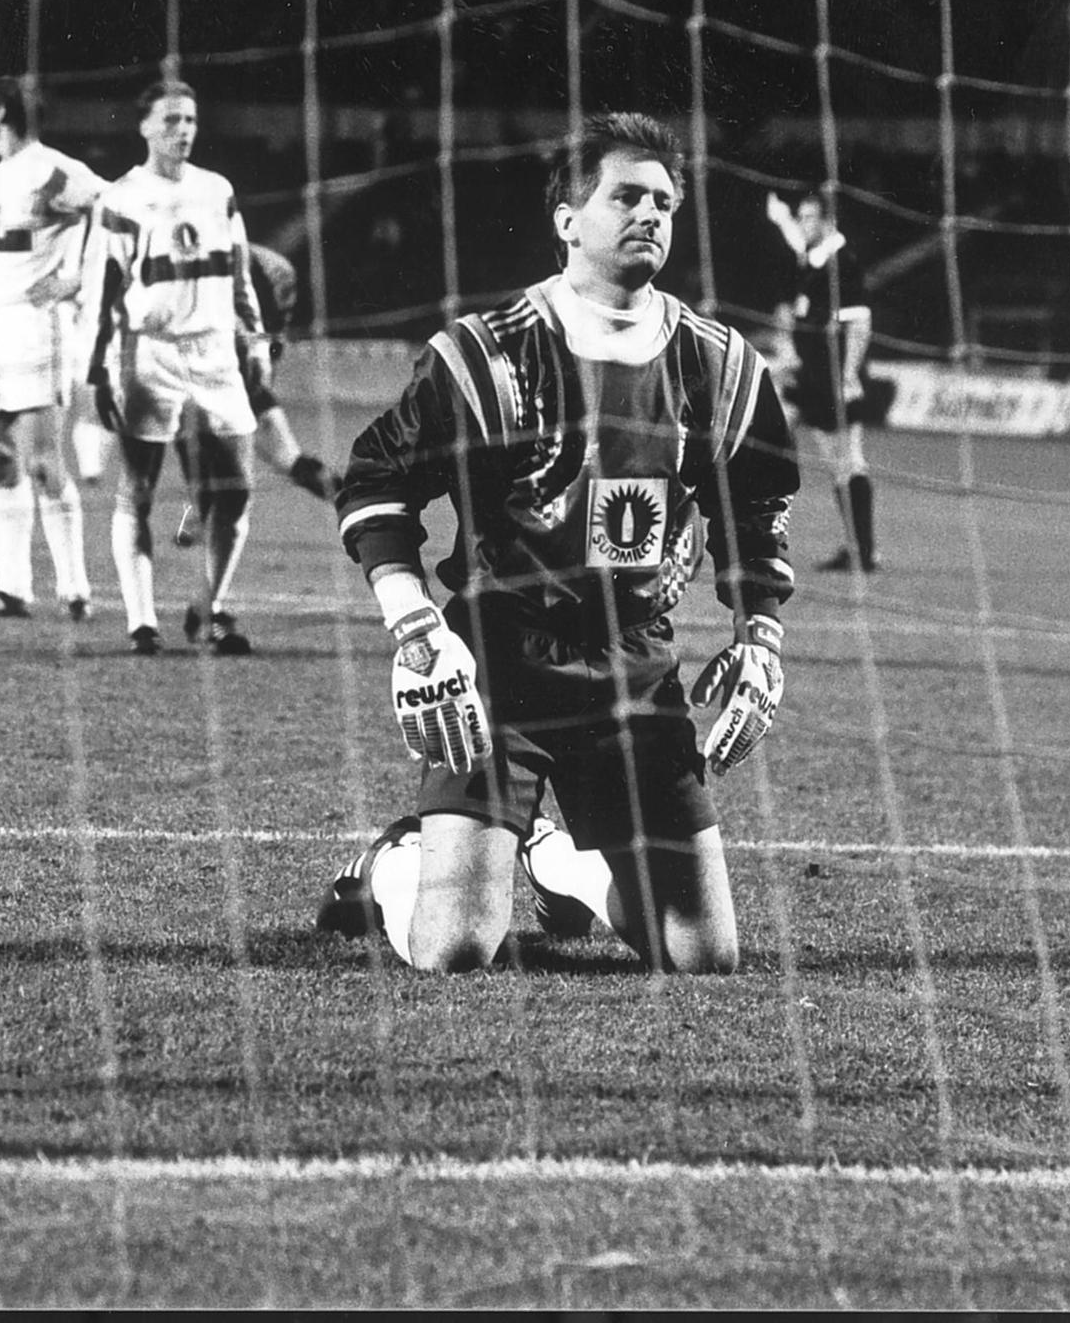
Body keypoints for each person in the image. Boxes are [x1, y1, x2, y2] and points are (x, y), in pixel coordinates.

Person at [317, 112, 799, 975]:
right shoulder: (484, 357)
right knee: (456, 950)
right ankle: (393, 864)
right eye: (625, 196)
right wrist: (416, 627)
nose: (648, 213)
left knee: (704, 955)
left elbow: (754, 506)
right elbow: (376, 483)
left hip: (634, 669)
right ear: (568, 219)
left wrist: (759, 636)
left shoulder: (721, 367)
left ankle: (556, 863)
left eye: (663, 201)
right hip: (500, 662)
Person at [85, 78, 267, 656]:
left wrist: (256, 340)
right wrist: (100, 371)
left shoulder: (218, 190)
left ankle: (207, 608)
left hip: (215, 354)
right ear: (143, 127)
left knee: (237, 488)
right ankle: (142, 622)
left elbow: (240, 274)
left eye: (189, 120)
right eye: (170, 120)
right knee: (138, 489)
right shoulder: (120, 198)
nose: (182, 130)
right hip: (150, 352)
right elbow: (100, 293)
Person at [0, 76, 106, 622]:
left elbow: (112, 207)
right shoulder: (1, 173)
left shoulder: (49, 168)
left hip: (36, 325)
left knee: (44, 461)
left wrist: (79, 279)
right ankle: (12, 589)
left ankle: (75, 587)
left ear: (1, 113)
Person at [173, 240, 341, 548]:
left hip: (233, 381)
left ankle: (200, 511)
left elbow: (266, 339)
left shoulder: (247, 272)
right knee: (285, 458)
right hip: (236, 377)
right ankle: (354, 502)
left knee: (195, 435)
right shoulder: (244, 272)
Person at [768, 188, 879, 573]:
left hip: (835, 378)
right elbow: (799, 240)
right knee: (832, 462)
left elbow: (860, 323)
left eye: (809, 218)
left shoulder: (842, 263)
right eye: (800, 218)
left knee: (848, 463)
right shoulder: (814, 257)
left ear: (828, 221)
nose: (803, 225)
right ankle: (857, 549)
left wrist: (849, 376)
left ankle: (863, 552)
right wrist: (781, 218)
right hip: (810, 376)